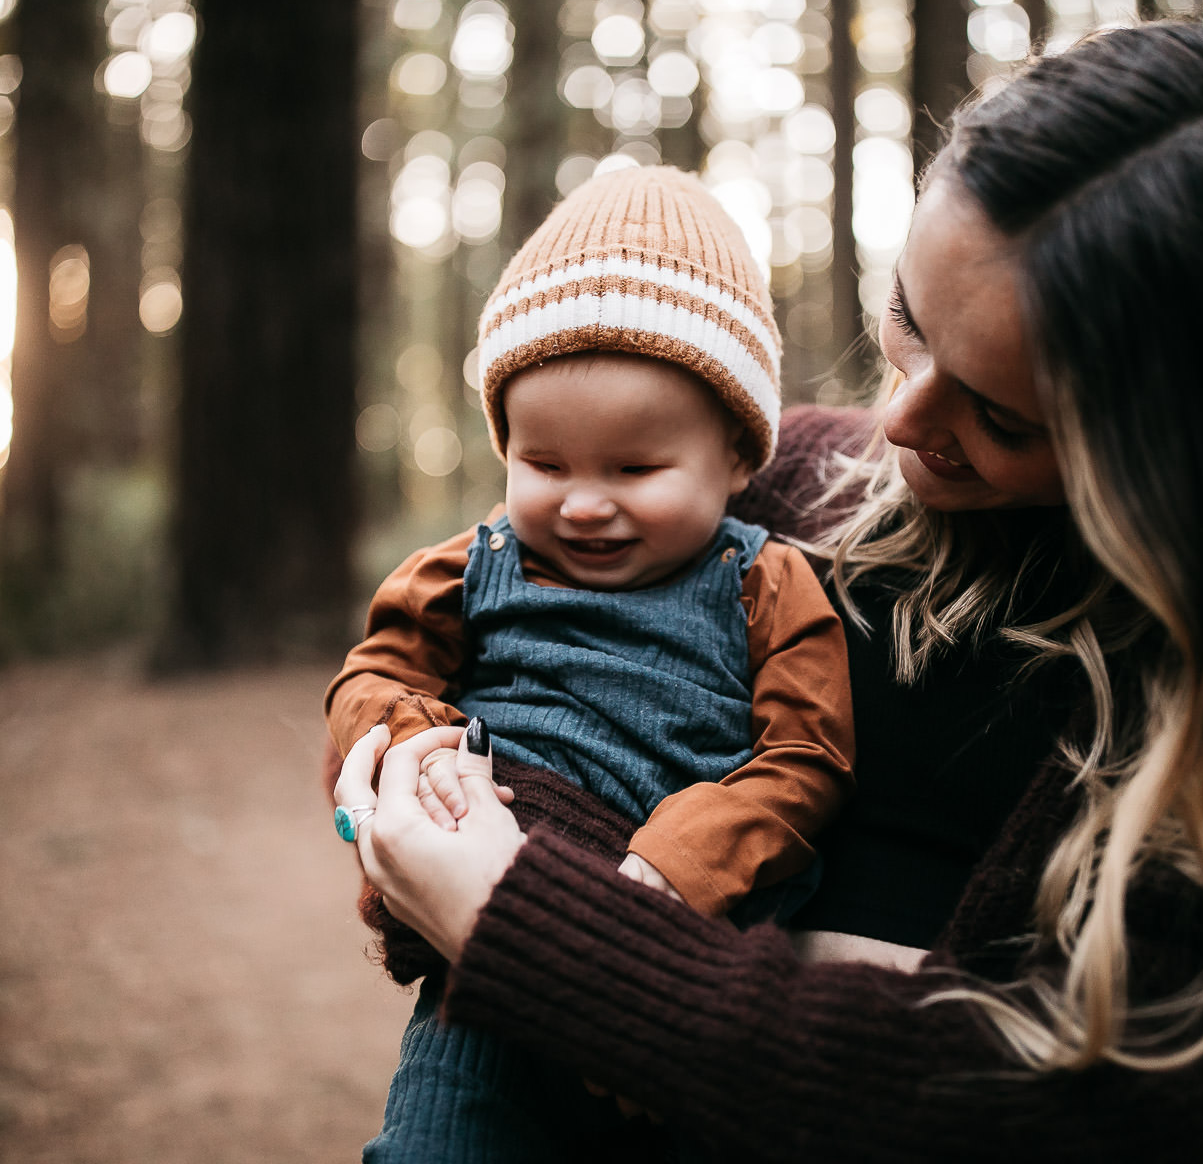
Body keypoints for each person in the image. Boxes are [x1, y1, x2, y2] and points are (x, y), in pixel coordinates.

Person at [333, 21, 1203, 1162]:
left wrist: (531, 927)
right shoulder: (781, 488)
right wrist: (466, 837)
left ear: (1194, 446)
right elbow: (539, 716)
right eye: (909, 324)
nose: (906, 426)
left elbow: (1091, 1103)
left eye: (1004, 417)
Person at [325, 166, 856, 1160]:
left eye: (635, 468)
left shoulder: (768, 585)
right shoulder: (473, 565)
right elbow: (375, 675)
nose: (582, 503)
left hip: (676, 969)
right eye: (545, 463)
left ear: (738, 459)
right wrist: (413, 751)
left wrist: (679, 860)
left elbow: (806, 759)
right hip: (479, 971)